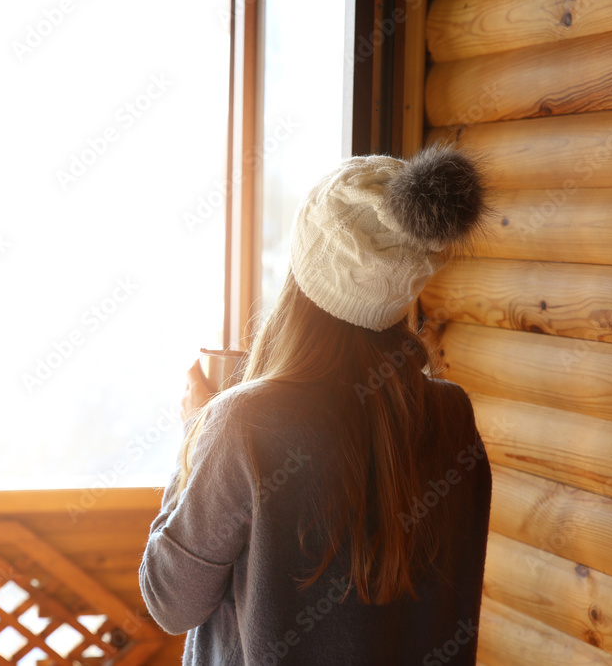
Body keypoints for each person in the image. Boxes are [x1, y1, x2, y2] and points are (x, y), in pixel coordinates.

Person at [139, 144, 494, 665]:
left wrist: (198, 439)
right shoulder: (450, 415)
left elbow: (170, 602)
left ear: (302, 276)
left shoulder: (244, 424)